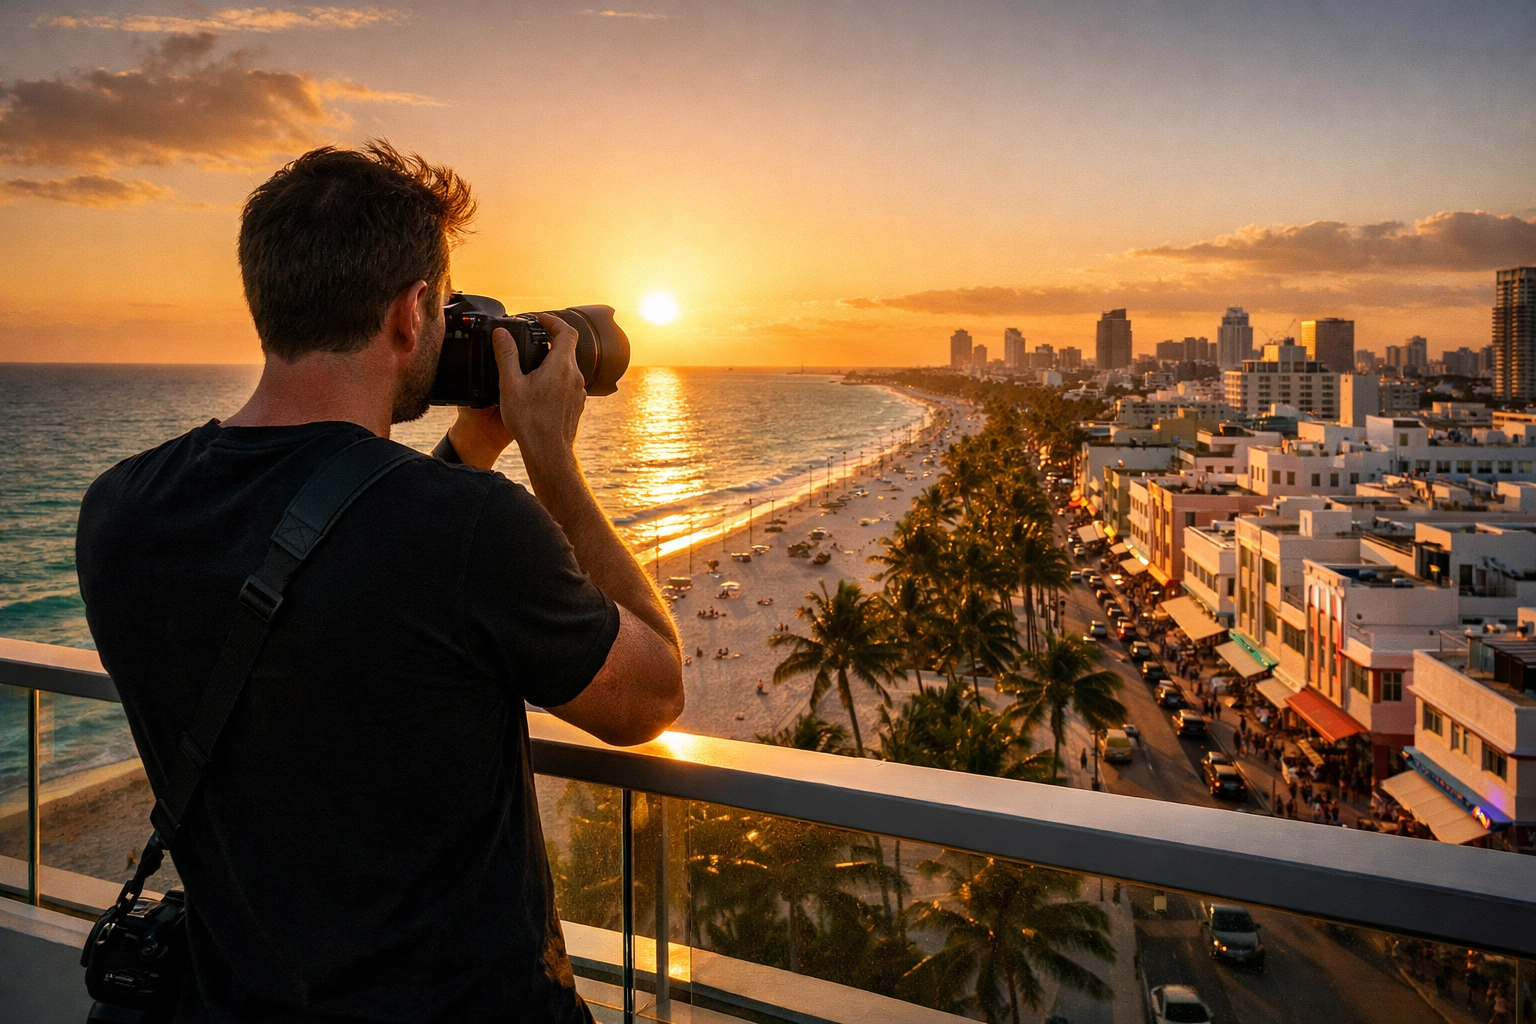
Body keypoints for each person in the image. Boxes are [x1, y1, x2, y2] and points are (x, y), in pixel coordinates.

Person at [76, 144, 684, 1022]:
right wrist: (550, 455)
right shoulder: (471, 532)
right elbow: (651, 695)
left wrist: (471, 445)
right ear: (411, 313)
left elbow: (341, 561)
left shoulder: (121, 514)